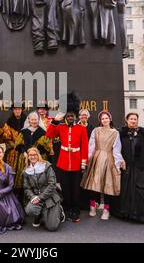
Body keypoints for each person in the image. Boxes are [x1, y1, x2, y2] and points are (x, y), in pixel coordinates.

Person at [46, 93, 88, 222]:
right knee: (65, 188)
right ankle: (67, 208)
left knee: (75, 189)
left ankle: (75, 210)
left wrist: (83, 163)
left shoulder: (81, 128)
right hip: (63, 162)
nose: (70, 118)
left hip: (76, 163)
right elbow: (49, 134)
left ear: (75, 117)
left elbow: (84, 147)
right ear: (66, 117)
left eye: (72, 116)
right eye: (68, 116)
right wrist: (55, 120)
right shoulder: (61, 127)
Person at [112, 113, 144, 223]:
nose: (133, 121)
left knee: (142, 190)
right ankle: (127, 214)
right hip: (127, 166)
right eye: (131, 119)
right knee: (126, 190)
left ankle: (141, 215)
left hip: (141, 166)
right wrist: (120, 161)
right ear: (127, 120)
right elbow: (116, 148)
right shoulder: (121, 132)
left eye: (135, 119)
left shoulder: (142, 132)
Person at [81, 111, 126, 220]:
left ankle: (106, 210)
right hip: (96, 158)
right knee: (93, 184)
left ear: (110, 119)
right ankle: (93, 206)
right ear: (100, 121)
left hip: (109, 159)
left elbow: (116, 149)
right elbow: (91, 146)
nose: (105, 120)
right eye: (102, 119)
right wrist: (87, 160)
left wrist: (118, 163)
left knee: (107, 185)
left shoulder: (115, 133)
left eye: (106, 118)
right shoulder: (96, 131)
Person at [23, 147, 65, 231]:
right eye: (30, 155)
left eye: (34, 154)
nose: (32, 157)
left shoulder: (46, 166)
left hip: (50, 197)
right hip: (37, 198)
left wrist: (40, 197)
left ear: (38, 155)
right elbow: (27, 188)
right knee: (29, 210)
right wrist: (32, 197)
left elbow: (52, 184)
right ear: (28, 157)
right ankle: (39, 216)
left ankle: (60, 211)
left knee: (52, 227)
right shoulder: (26, 171)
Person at [14, 112, 52, 202]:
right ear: (29, 120)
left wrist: (35, 154)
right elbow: (18, 145)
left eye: (35, 119)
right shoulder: (24, 131)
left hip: (38, 158)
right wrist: (24, 152)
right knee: (25, 179)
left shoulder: (42, 132)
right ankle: (22, 202)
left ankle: (38, 200)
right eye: (32, 119)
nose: (34, 121)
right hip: (25, 158)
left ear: (38, 120)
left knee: (37, 180)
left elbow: (46, 147)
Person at [2, 102, 26, 167]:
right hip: (13, 150)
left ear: (22, 110)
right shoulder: (9, 121)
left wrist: (23, 147)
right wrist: (15, 145)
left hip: (25, 149)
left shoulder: (27, 121)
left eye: (19, 109)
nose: (17, 111)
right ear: (13, 110)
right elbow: (7, 137)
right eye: (15, 109)